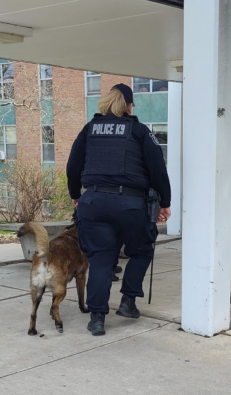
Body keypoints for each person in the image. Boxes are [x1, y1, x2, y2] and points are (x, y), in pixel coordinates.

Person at [66, 83, 171, 336]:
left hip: (94, 202)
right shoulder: (139, 131)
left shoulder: (89, 129)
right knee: (142, 250)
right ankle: (128, 302)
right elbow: (157, 169)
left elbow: (72, 166)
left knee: (101, 259)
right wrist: (165, 203)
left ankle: (97, 318)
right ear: (129, 105)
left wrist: (76, 196)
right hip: (131, 205)